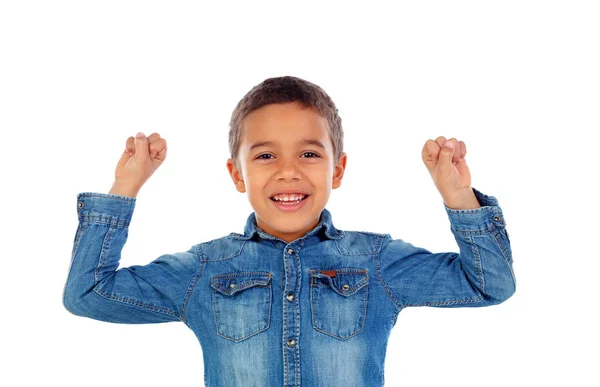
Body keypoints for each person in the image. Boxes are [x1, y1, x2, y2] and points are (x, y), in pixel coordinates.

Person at [63, 75, 516, 386]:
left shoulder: (375, 261)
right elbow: (87, 294)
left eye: (309, 154)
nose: (287, 172)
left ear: (337, 170)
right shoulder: (204, 269)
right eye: (264, 156)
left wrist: (459, 197)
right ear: (237, 175)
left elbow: (490, 285)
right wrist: (126, 187)